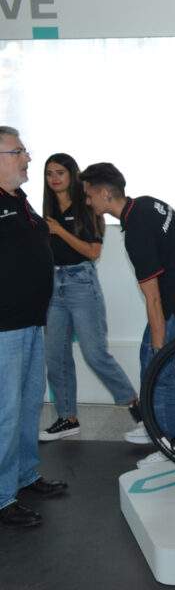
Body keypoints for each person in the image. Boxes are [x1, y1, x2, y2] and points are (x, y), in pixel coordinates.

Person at [79, 162, 175, 467]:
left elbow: (152, 297)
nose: (87, 201)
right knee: (148, 356)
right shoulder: (146, 204)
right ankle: (156, 424)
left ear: (105, 193)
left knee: (159, 368)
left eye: (89, 195)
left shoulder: (136, 231)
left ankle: (172, 444)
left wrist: (160, 348)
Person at [38, 153, 139, 442]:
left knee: (95, 354)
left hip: (81, 283)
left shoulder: (88, 206)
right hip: (53, 286)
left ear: (72, 175)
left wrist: (59, 231)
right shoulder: (46, 210)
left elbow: (93, 252)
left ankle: (139, 410)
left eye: (60, 172)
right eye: (49, 173)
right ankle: (67, 418)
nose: (54, 178)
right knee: (55, 357)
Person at [0, 126, 67, 528]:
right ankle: (2, 496)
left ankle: (24, 475)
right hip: (4, 327)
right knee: (5, 413)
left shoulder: (19, 200)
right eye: (19, 152)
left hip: (29, 322)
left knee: (28, 406)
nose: (28, 159)